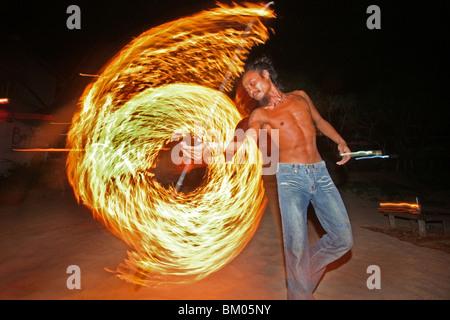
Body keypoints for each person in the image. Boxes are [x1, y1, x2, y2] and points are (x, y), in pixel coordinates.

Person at [182, 56, 353, 300]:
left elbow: (320, 121)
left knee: (342, 240)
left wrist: (340, 141)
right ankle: (299, 294)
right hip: (291, 179)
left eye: (252, 82)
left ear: (265, 74)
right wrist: (208, 150)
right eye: (247, 88)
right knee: (295, 249)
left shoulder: (301, 96)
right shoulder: (259, 116)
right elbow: (241, 145)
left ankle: (300, 279)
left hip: (320, 174)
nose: (250, 90)